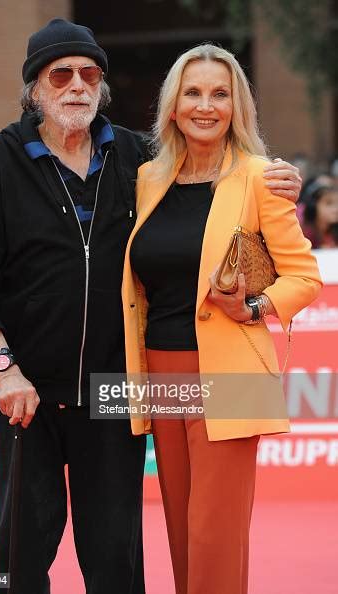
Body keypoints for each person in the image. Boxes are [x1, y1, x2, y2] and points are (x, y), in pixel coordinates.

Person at [0, 18, 302, 594]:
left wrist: (276, 177)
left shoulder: (139, 161)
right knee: (17, 557)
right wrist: (3, 367)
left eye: (90, 74)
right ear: (34, 86)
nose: (77, 86)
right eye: (60, 74)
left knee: (117, 559)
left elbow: (216, 171)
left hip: (118, 391)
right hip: (27, 393)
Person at [122, 44, 322, 594]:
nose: (205, 106)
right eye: (192, 92)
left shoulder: (262, 178)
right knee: (181, 529)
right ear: (172, 104)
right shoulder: (146, 180)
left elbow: (305, 277)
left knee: (215, 534)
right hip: (161, 370)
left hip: (234, 374)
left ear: (238, 107)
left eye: (219, 94)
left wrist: (255, 306)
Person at [301, 180, 338, 248]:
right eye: (329, 203)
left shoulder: (333, 231)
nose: (336, 208)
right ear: (313, 206)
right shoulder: (304, 234)